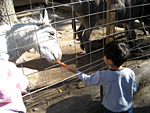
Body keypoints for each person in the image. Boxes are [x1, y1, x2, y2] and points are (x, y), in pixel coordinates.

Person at [67, 41, 137, 113]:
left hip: (111, 109)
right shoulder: (130, 72)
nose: (103, 56)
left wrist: (76, 72)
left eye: (104, 55)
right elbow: (134, 89)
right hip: (127, 107)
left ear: (110, 61)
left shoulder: (103, 75)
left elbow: (88, 80)